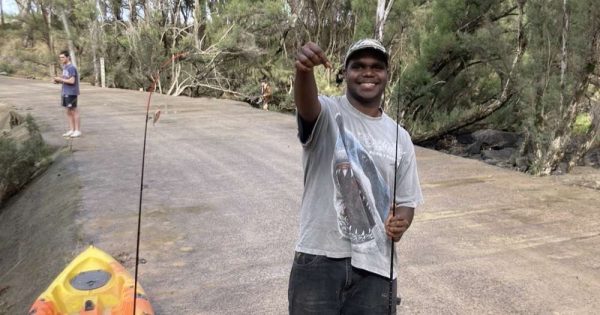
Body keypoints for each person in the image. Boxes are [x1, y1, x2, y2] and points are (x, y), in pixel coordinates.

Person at [289, 39, 423, 314]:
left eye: (376, 67)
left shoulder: (401, 138)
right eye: (358, 66)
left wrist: (402, 223)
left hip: (376, 267)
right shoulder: (326, 112)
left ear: (387, 75)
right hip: (319, 259)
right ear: (345, 72)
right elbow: (306, 104)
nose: (368, 72)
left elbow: (407, 201)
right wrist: (303, 71)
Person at [53, 50, 81, 138]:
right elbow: (66, 80)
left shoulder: (71, 67)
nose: (61, 59)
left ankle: (77, 130)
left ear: (68, 57)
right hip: (65, 92)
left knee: (73, 110)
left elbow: (72, 81)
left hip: (71, 92)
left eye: (63, 57)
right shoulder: (65, 67)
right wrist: (58, 81)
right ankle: (71, 130)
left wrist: (60, 79)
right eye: (60, 57)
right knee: (68, 111)